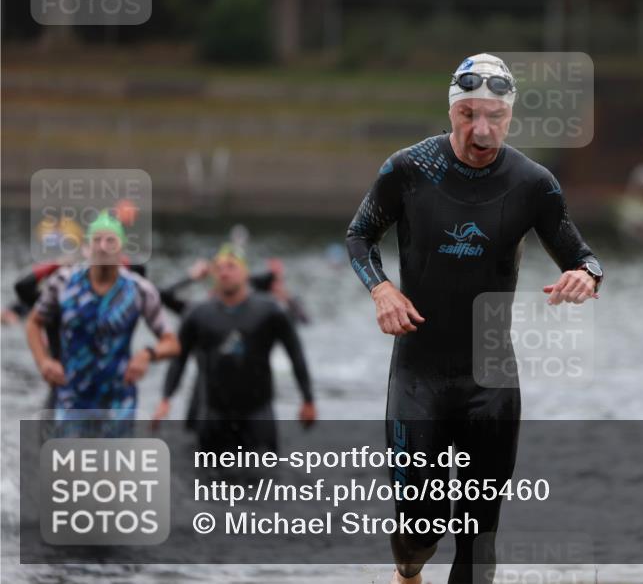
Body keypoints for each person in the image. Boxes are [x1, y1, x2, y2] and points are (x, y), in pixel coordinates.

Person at [346, 53, 603, 584]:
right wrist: (381, 289)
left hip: (491, 378)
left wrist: (587, 277)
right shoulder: (410, 168)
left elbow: (584, 256)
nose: (480, 131)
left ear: (509, 118)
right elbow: (358, 236)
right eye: (468, 115)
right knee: (419, 529)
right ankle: (408, 573)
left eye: (494, 117)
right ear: (452, 109)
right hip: (419, 374)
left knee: (479, 536)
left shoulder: (533, 183)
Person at [152, 244, 316, 455]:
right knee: (206, 483)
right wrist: (165, 397)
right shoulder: (197, 314)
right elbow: (179, 358)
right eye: (219, 268)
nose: (224, 272)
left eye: (231, 266)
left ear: (246, 273)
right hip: (213, 414)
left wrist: (308, 399)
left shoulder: (269, 312)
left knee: (266, 481)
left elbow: (296, 353)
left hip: (258, 415)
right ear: (212, 276)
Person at [25, 210, 179, 422]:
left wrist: (147, 355)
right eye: (96, 240)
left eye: (110, 240)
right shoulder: (63, 282)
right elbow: (34, 322)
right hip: (71, 400)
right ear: (87, 248)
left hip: (118, 403)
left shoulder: (140, 290)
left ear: (122, 248)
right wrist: (43, 362)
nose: (103, 246)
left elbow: (171, 343)